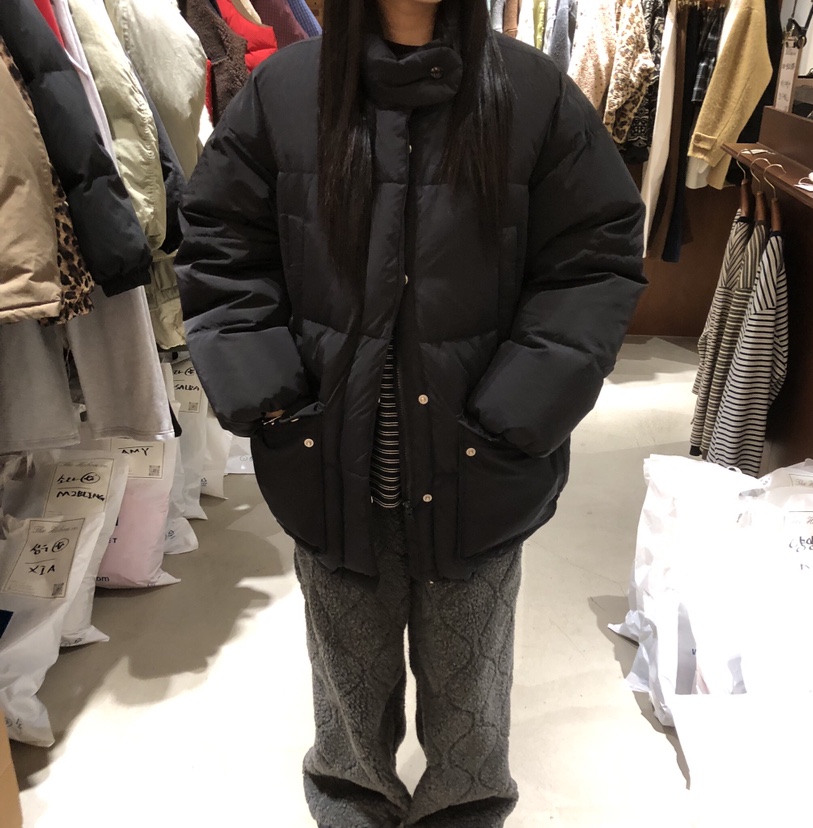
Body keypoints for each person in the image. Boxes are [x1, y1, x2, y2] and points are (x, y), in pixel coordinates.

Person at [175, 0, 646, 825]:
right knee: (348, 706)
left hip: (478, 467)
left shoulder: (531, 92)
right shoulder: (286, 92)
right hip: (327, 465)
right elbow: (222, 246)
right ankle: (354, 809)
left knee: (471, 707)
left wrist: (519, 413)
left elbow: (593, 259)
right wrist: (273, 398)